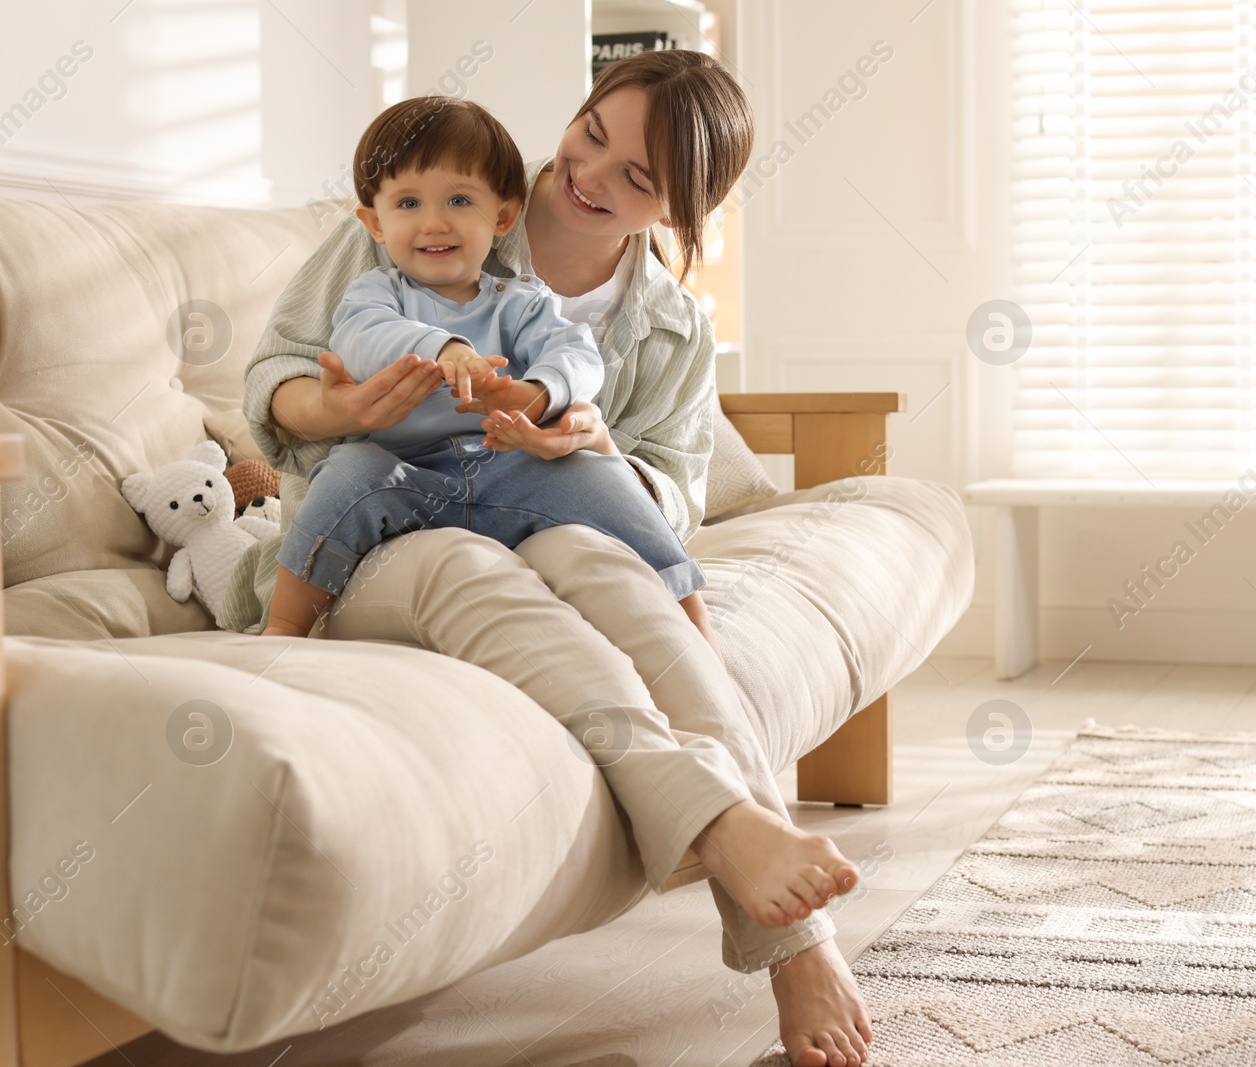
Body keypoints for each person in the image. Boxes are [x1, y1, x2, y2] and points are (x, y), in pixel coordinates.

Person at [228, 51, 874, 1067]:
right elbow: (271, 379)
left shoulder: (670, 326)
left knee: (614, 571)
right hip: (397, 534)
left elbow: (673, 489)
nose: (589, 174)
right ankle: (733, 828)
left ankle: (791, 940)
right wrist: (342, 406)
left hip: (550, 510)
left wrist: (592, 443)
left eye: (637, 177)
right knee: (473, 571)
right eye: (592, 133)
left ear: (677, 208)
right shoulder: (444, 194)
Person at [262, 97, 714, 648]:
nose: (433, 222)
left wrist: (541, 395)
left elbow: (573, 352)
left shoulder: (521, 302)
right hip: (405, 473)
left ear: (501, 216)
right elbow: (360, 336)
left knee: (609, 481)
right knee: (350, 471)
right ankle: (282, 628)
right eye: (407, 204)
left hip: (510, 472)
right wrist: (442, 349)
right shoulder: (375, 290)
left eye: (458, 201)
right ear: (374, 224)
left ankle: (693, 617)